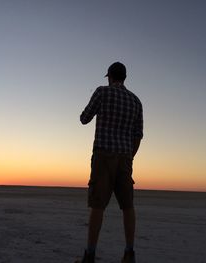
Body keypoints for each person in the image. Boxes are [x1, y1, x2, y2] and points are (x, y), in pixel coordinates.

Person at [76, 62, 143, 263]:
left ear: (109, 77)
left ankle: (90, 255)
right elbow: (138, 136)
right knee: (128, 206)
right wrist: (129, 156)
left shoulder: (102, 93)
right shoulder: (135, 101)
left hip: (103, 156)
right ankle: (129, 253)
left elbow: (84, 118)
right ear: (124, 78)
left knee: (98, 206)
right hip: (125, 157)